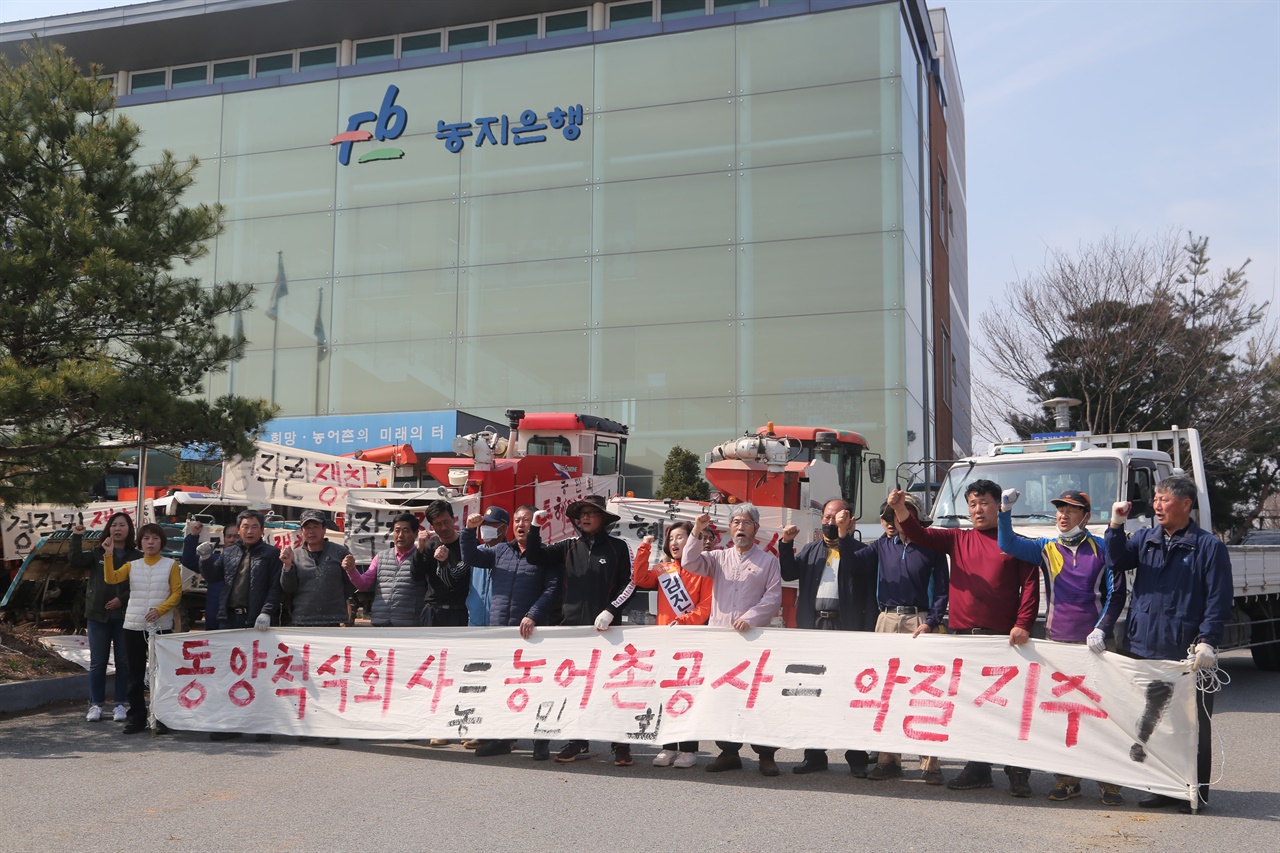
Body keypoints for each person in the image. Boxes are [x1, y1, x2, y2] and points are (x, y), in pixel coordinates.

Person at [888, 481, 1040, 797]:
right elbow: (920, 535)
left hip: (1004, 641)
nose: (977, 510)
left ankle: (1018, 772)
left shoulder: (1018, 544)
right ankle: (979, 768)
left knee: (1008, 709)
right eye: (972, 504)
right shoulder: (958, 539)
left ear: (999, 505)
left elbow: (1030, 586)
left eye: (983, 502)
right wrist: (900, 508)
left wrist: (1023, 624)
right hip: (963, 639)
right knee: (973, 707)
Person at [1105, 475, 1232, 812]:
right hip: (1144, 644)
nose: (1156, 505)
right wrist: (1116, 525)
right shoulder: (1146, 538)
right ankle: (1163, 786)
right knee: (1153, 721)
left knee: (1192, 723)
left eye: (1163, 499)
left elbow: (1219, 599)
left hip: (1186, 652)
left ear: (1186, 504)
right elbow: (1115, 561)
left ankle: (1195, 790)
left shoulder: (1207, 546)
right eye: (1156, 499)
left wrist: (1208, 641)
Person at [998, 487, 1127, 805]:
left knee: (1102, 716)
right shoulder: (1045, 547)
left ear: (1086, 515)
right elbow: (1008, 543)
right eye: (1059, 509)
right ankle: (1067, 780)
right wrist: (1004, 512)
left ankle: (1110, 782)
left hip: (1095, 646)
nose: (1063, 515)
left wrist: (1102, 629)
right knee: (1064, 715)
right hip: (1058, 643)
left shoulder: (1101, 548)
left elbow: (1117, 594)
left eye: (1070, 510)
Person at [836, 495, 949, 784]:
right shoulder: (881, 546)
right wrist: (843, 535)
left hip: (920, 619)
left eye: (905, 511)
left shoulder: (932, 545)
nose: (899, 516)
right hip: (886, 618)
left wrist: (933, 621)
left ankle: (930, 762)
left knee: (925, 692)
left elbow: (942, 590)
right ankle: (888, 759)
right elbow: (850, 565)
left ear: (915, 516)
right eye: (894, 512)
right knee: (885, 691)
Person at [524, 494, 635, 766]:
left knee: (612, 688)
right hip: (572, 632)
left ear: (603, 519)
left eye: (591, 513)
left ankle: (621, 744)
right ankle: (578, 740)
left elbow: (630, 584)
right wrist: (535, 528)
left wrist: (611, 610)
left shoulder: (619, 548)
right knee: (575, 689)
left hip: (608, 632)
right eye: (581, 513)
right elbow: (534, 556)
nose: (585, 517)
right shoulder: (567, 546)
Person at [683, 503, 784, 777]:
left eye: (747, 523)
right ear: (730, 528)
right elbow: (689, 562)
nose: (741, 528)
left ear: (756, 529)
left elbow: (773, 597)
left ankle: (766, 755)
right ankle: (728, 752)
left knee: (759, 698)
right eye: (737, 522)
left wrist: (751, 617)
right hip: (722, 642)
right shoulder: (716, 558)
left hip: (754, 642)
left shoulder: (768, 561)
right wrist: (696, 531)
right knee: (724, 698)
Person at [779, 499, 873, 777]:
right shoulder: (810, 550)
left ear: (850, 520)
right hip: (814, 627)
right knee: (813, 693)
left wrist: (866, 633)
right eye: (827, 518)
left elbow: (866, 589)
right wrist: (785, 544)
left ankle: (856, 757)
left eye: (837, 518)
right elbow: (788, 573)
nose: (830, 523)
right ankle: (814, 755)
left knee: (848, 692)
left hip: (846, 628)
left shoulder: (861, 551)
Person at [463, 505, 562, 761]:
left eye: (527, 520)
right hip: (501, 632)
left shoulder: (545, 555)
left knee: (537, 687)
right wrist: (468, 530)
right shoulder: (499, 551)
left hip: (532, 633)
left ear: (536, 524)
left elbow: (552, 590)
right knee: (500, 686)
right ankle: (501, 739)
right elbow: (471, 558)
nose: (521, 525)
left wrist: (533, 614)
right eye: (517, 520)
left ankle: (540, 740)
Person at [631, 521, 712, 769]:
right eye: (672, 538)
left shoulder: (703, 570)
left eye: (681, 538)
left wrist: (683, 620)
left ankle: (688, 749)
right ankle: (667, 747)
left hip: (691, 640)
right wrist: (644, 548)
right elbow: (640, 578)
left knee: (687, 695)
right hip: (665, 640)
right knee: (665, 694)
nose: (675, 543)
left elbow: (705, 607)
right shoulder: (664, 570)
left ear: (692, 542)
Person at [102, 523, 182, 735]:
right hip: (134, 625)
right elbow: (111, 578)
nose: (150, 542)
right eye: (146, 538)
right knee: (134, 674)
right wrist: (108, 556)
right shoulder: (132, 565)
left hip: (161, 627)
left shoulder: (170, 565)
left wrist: (160, 610)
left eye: (155, 538)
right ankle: (136, 718)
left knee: (161, 674)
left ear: (161, 542)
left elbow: (176, 593)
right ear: (140, 542)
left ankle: (161, 717)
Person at [70, 513, 138, 724]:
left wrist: (122, 599)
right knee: (98, 663)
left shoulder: (136, 556)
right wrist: (76, 537)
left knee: (123, 662)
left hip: (124, 616)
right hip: (97, 616)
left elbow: (138, 585)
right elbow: (74, 561)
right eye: (114, 525)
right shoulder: (97, 552)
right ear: (108, 528)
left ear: (129, 529)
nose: (118, 529)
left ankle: (120, 704)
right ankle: (95, 704)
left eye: (122, 525)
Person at [345, 513, 428, 628]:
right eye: (397, 530)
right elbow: (363, 585)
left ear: (415, 534)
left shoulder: (423, 556)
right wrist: (351, 570)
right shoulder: (381, 557)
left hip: (410, 625)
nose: (400, 535)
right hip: (381, 623)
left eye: (406, 530)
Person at [280, 510, 355, 628]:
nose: (311, 531)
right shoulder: (294, 555)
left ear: (324, 529)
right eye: (307, 527)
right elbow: (288, 588)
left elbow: (350, 585)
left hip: (334, 620)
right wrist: (287, 566)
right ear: (302, 531)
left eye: (315, 527)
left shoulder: (340, 552)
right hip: (302, 620)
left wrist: (333, 599)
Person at [415, 500, 471, 627]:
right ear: (432, 526)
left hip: (459, 611)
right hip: (433, 611)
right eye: (438, 524)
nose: (444, 527)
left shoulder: (467, 545)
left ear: (453, 518)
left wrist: (444, 562)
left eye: (446, 521)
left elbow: (456, 580)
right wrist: (419, 549)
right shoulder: (430, 546)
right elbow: (416, 576)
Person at [183, 521, 238, 630]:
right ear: (224, 539)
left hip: (238, 619)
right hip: (214, 619)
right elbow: (188, 560)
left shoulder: (251, 561)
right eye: (229, 536)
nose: (232, 540)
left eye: (236, 537)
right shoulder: (212, 559)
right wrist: (194, 536)